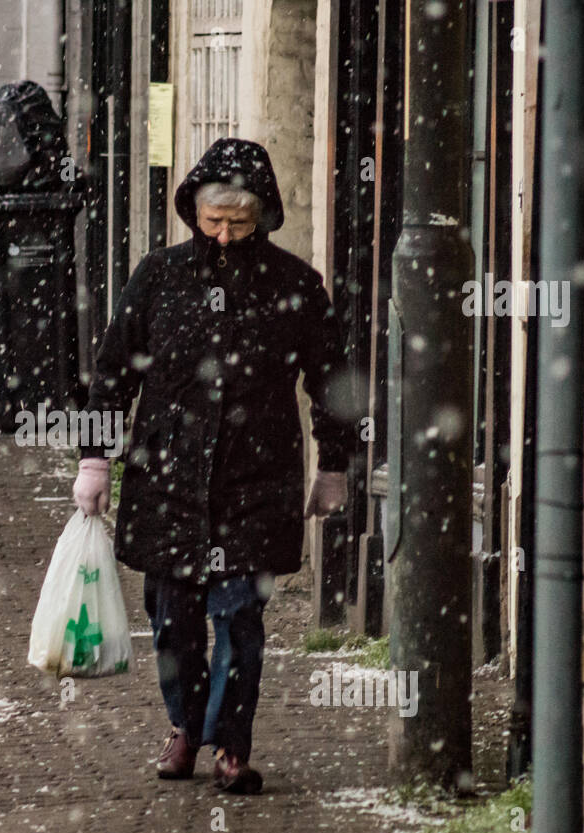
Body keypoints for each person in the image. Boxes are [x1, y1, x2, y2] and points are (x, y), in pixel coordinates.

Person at [72, 138, 352, 794]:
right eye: (213, 222)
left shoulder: (294, 285)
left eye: (241, 223)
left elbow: (331, 378)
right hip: (168, 475)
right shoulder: (159, 277)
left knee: (238, 617)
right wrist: (93, 456)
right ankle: (185, 724)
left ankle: (232, 744)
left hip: (257, 478)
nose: (225, 236)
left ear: (264, 217)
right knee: (173, 619)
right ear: (193, 211)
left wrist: (333, 465)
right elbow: (113, 370)